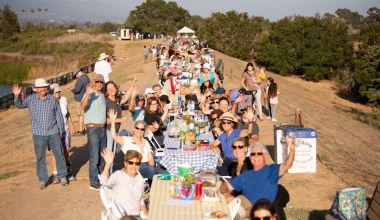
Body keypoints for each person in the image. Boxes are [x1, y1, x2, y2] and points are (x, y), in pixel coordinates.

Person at [13, 78, 68, 189]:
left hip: (53, 132)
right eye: (40, 87)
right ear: (36, 89)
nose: (43, 89)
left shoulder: (52, 99)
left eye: (44, 87)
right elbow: (19, 105)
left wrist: (61, 130)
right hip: (38, 134)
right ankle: (42, 180)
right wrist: (16, 96)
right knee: (40, 157)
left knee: (59, 154)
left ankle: (62, 176)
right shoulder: (30, 99)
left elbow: (58, 116)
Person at [221, 138, 296, 220]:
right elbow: (228, 185)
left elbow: (286, 166)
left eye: (240, 147)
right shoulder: (233, 167)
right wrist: (226, 193)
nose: (237, 149)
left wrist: (292, 150)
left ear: (245, 148)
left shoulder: (251, 164)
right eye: (234, 147)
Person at [100, 149, 148, 219]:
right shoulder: (119, 175)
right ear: (125, 163)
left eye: (137, 163)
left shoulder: (139, 178)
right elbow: (104, 182)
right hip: (122, 216)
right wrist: (108, 164)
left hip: (137, 215)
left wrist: (143, 206)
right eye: (131, 163)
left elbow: (140, 197)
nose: (134, 166)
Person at [108, 109, 156, 180]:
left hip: (148, 166)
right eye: (137, 128)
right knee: (154, 172)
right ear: (133, 129)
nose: (139, 131)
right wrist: (112, 121)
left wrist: (154, 168)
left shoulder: (145, 142)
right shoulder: (127, 140)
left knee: (165, 174)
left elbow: (150, 159)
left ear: (144, 131)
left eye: (142, 129)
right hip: (135, 166)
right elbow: (114, 136)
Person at [81, 74, 107, 190]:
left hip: (102, 128)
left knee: (102, 155)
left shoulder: (102, 95)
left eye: (101, 82)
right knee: (94, 156)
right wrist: (87, 94)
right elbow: (83, 106)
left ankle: (102, 179)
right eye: (97, 82)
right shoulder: (89, 94)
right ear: (94, 82)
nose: (99, 84)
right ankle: (93, 182)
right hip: (92, 128)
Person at [210, 110, 254, 176]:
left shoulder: (237, 132)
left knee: (216, 173)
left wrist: (250, 121)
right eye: (224, 123)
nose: (226, 124)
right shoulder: (223, 135)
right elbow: (213, 144)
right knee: (211, 171)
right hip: (226, 162)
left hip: (236, 163)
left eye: (228, 122)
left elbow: (248, 132)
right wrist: (214, 147)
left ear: (232, 124)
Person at [50, 84, 76, 182]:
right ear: (52, 93)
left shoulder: (64, 99)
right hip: (54, 131)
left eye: (59, 91)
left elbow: (67, 113)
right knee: (54, 153)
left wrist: (72, 125)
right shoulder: (49, 102)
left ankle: (68, 171)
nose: (58, 93)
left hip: (65, 130)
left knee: (66, 151)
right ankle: (55, 174)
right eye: (56, 92)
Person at [71, 67, 90, 136]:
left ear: (78, 72)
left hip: (79, 99)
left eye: (76, 75)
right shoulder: (87, 77)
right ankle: (85, 129)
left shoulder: (80, 79)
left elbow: (77, 90)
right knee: (84, 114)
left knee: (80, 115)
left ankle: (80, 130)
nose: (76, 77)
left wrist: (72, 90)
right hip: (85, 98)